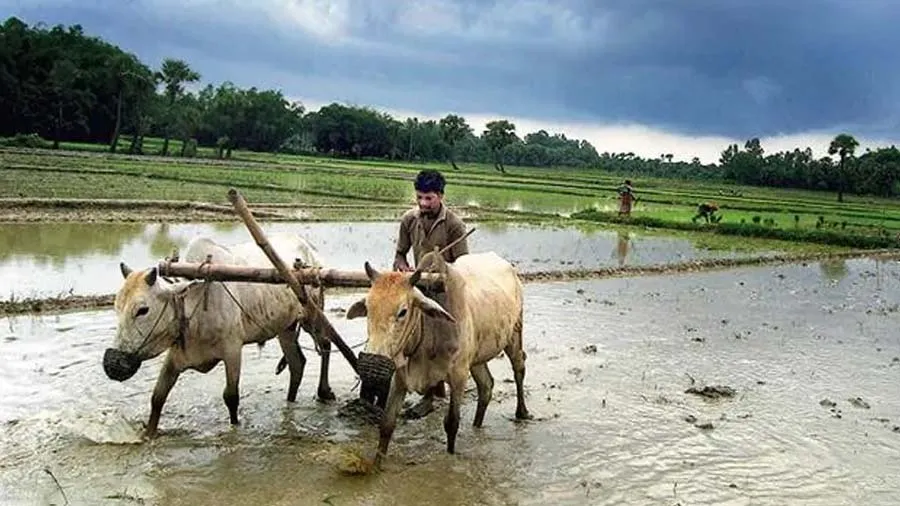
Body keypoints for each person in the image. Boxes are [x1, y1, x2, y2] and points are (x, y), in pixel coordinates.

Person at [391, 169, 469, 419]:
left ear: (441, 196)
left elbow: (463, 267)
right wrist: (403, 267)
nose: (424, 204)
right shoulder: (409, 220)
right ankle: (428, 392)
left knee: (441, 347)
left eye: (429, 198)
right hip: (417, 291)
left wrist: (441, 275)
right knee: (419, 344)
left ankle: (432, 395)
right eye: (420, 198)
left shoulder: (454, 225)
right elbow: (400, 254)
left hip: (444, 294)